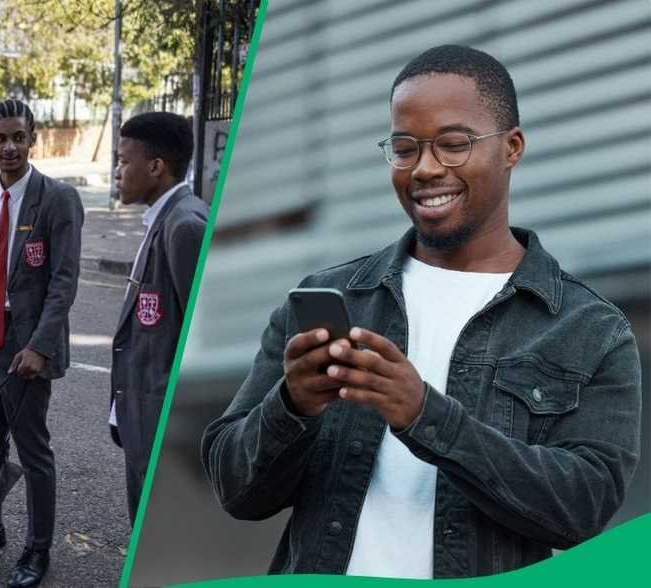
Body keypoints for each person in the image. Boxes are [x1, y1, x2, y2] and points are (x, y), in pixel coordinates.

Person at [202, 45, 641, 579]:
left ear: (512, 147)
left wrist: (424, 416)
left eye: (453, 145)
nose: (426, 169)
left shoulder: (590, 329)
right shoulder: (332, 296)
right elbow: (235, 488)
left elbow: (583, 508)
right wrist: (292, 404)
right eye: (405, 148)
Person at [0, 99, 84, 588]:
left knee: (32, 448)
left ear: (34, 139)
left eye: (18, 138)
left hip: (25, 342)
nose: (9, 147)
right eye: (0, 138)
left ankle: (37, 549)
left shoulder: (57, 198)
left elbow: (64, 281)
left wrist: (41, 346)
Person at [110, 112, 208, 524]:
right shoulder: (164, 218)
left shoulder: (185, 226)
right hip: (144, 419)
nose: (117, 171)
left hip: (165, 429)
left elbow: (202, 339)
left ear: (155, 167)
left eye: (123, 161)